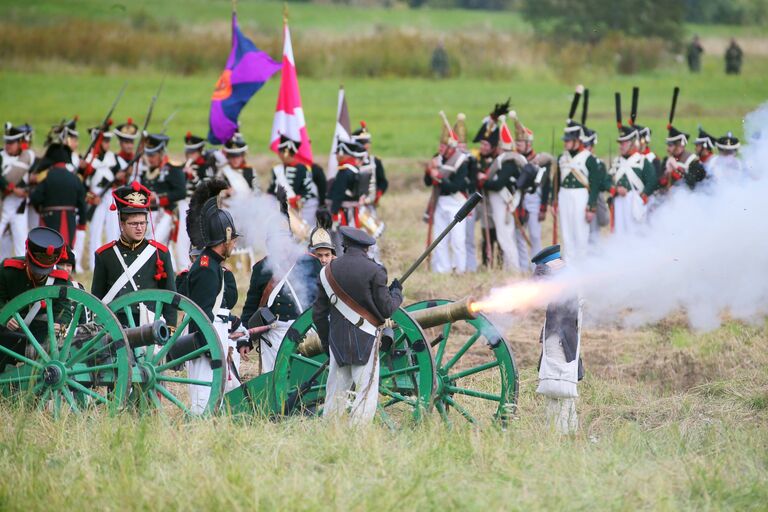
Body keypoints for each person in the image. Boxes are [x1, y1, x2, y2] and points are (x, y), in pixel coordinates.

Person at [313, 226, 403, 425]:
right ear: (366, 249)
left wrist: (328, 342)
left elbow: (318, 314)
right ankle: (358, 436)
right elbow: (387, 309)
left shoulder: (327, 271)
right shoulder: (375, 271)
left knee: (335, 394)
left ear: (344, 245)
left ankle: (331, 433)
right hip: (366, 338)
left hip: (337, 341)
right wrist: (396, 292)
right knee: (365, 392)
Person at [241, 209, 332, 372]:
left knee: (306, 374)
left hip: (306, 329)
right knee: (275, 376)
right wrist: (245, 340)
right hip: (274, 332)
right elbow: (251, 305)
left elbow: (323, 296)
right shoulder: (261, 268)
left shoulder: (309, 262)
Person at [185, 188, 243, 411]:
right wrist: (210, 347)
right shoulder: (207, 269)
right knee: (203, 400)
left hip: (213, 340)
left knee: (215, 398)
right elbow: (202, 313)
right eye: (233, 240)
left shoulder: (212, 265)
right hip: (205, 344)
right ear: (225, 238)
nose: (234, 245)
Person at [91, 183, 176, 326]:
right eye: (134, 224)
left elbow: (169, 296)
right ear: (122, 224)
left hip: (150, 323)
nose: (140, 228)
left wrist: (170, 327)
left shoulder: (160, 254)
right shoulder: (105, 255)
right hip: (117, 324)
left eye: (143, 223)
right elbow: (97, 298)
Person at [0, 227, 72, 370]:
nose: (39, 274)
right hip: (9, 333)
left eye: (44, 271)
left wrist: (60, 324)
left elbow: (65, 311)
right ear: (28, 257)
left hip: (41, 334)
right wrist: (5, 316)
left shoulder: (60, 280)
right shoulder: (9, 271)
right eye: (36, 268)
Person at [532, 245, 583, 435]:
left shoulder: (557, 278)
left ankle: (558, 431)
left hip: (558, 337)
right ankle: (569, 428)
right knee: (564, 387)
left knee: (556, 385)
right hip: (567, 337)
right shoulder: (568, 276)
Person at [552, 89, 601, 262]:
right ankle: (569, 273)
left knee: (581, 236)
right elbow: (556, 181)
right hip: (564, 195)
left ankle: (581, 274)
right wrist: (554, 200)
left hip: (581, 196)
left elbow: (595, 184)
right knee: (567, 236)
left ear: (577, 141)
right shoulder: (562, 158)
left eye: (568, 140)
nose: (565, 143)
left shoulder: (589, 159)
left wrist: (592, 206)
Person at [477, 115, 523, 271]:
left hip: (503, 204)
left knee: (505, 237)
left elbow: (497, 185)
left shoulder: (508, 163)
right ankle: (509, 268)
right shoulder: (505, 162)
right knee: (505, 237)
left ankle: (513, 268)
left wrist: (483, 180)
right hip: (501, 204)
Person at [425, 115, 469, 273]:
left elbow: (455, 186)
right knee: (440, 239)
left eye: (445, 146)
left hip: (456, 202)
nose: (441, 149)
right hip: (440, 202)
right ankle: (442, 269)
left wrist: (438, 176)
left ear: (452, 148)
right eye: (441, 145)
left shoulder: (461, 161)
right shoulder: (437, 159)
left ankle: (460, 269)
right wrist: (430, 171)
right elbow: (428, 182)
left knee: (458, 240)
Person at [513, 113, 553, 271]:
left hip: (534, 200)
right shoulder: (515, 160)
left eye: (521, 141)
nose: (518, 144)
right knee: (520, 235)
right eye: (517, 141)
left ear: (528, 143)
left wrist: (543, 207)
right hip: (519, 200)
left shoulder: (540, 160)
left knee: (535, 235)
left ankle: (538, 268)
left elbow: (546, 185)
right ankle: (523, 267)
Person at [29, 143, 87, 249]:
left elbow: (35, 198)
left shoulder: (46, 177)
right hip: (70, 219)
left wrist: (39, 208)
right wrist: (82, 223)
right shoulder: (75, 178)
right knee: (66, 252)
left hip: (49, 219)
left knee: (48, 250)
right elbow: (82, 203)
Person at [134, 133, 186, 249]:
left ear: (161, 154)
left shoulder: (172, 169)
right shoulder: (145, 171)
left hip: (167, 213)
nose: (150, 159)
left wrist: (157, 198)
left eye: (153, 155)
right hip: (149, 213)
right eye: (148, 155)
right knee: (161, 248)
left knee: (154, 245)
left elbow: (181, 192)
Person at [608, 124, 656, 236]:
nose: (621, 146)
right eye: (620, 143)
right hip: (619, 201)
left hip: (635, 200)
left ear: (632, 143)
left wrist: (643, 196)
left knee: (635, 233)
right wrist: (615, 189)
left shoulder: (642, 161)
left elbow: (652, 181)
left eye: (624, 143)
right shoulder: (617, 162)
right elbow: (607, 179)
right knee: (619, 233)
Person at [83, 125, 119, 271]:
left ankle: (113, 263)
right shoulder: (88, 160)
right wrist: (91, 198)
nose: (107, 144)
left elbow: (119, 178)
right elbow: (83, 185)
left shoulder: (112, 158)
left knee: (113, 231)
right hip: (96, 197)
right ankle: (94, 265)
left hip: (109, 196)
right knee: (95, 232)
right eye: (104, 141)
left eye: (108, 141)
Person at [1, 122, 35, 258]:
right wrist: (14, 189)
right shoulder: (1, 156)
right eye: (7, 142)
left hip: (19, 207)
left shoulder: (28, 157)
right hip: (2, 205)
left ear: (20, 142)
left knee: (22, 245)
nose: (8, 145)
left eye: (12, 142)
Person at [268, 135, 318, 228]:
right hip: (278, 209)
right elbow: (271, 191)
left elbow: (307, 190)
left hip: (298, 210)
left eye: (281, 152)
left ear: (286, 152)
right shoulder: (277, 169)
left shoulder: (302, 169)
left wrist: (299, 200)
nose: (279, 154)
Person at [660, 124, 707, 191]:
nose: (667, 149)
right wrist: (666, 174)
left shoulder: (693, 161)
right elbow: (659, 184)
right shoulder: (666, 160)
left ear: (680, 146)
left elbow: (692, 183)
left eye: (670, 145)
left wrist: (677, 169)